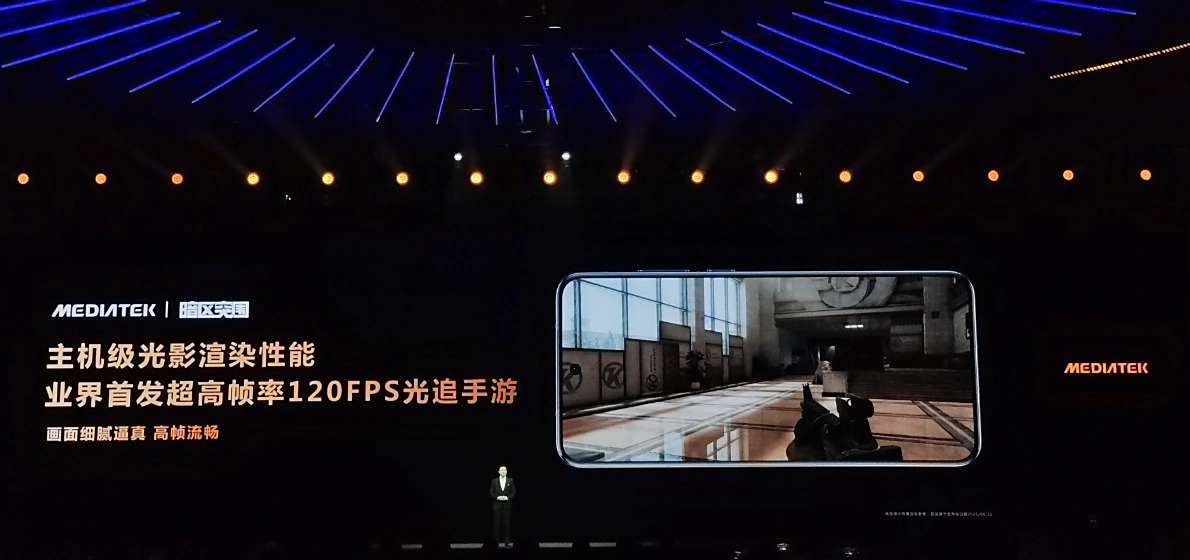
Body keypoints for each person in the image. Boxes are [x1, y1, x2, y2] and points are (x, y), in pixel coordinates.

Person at [489, 465, 516, 547]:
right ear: (499, 472)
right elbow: (491, 492)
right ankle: (495, 542)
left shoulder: (510, 480)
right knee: (496, 524)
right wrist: (497, 497)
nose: (503, 471)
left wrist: (507, 497)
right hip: (497, 506)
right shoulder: (494, 481)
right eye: (502, 470)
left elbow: (513, 492)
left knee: (507, 524)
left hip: (507, 506)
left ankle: (507, 541)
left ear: (506, 471)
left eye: (505, 470)